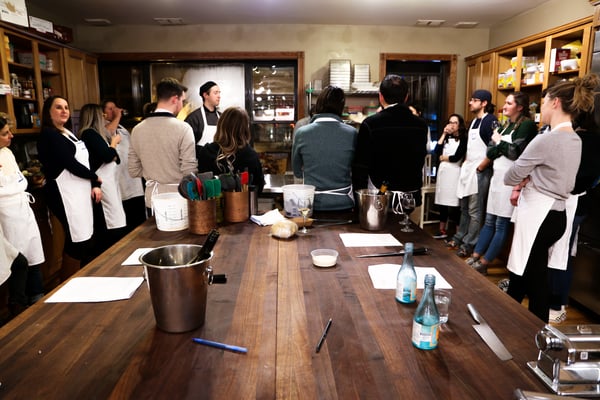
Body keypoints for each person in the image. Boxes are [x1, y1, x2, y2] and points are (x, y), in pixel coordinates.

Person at [504, 74, 599, 322]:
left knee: (535, 278)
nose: (542, 107)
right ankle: (506, 321)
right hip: (558, 216)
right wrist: (532, 175)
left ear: (555, 102)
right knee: (525, 274)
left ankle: (536, 332)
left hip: (540, 216)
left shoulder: (546, 139)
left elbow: (511, 176)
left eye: (544, 102)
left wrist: (527, 177)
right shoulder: (575, 139)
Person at [467, 92, 537, 275]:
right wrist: (499, 145)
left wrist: (498, 143)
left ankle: (484, 262)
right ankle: (475, 255)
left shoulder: (527, 125)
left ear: (520, 107)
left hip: (511, 181)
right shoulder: (506, 126)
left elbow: (515, 153)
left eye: (509, 103)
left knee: (501, 224)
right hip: (496, 179)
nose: (504, 106)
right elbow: (490, 152)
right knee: (489, 220)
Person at [37, 95, 102, 276]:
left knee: (85, 237)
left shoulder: (67, 133)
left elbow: (84, 162)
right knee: (77, 240)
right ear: (48, 112)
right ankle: (68, 281)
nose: (64, 111)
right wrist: (95, 177)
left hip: (79, 192)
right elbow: (69, 163)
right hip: (63, 193)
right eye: (58, 107)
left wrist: (93, 183)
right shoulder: (49, 135)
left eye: (66, 107)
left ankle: (81, 277)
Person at [547, 107, 600, 323]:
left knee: (560, 253)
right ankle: (556, 301)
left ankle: (557, 304)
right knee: (562, 252)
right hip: (580, 204)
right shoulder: (589, 139)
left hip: (573, 202)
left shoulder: (580, 140)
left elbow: (578, 177)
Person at [352, 74, 428, 207]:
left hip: (379, 195)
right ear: (406, 97)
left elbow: (361, 166)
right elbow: (420, 159)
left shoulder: (371, 124)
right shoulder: (421, 125)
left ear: (381, 96)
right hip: (410, 195)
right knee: (406, 221)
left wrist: (359, 200)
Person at [129, 77, 197, 209]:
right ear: (175, 99)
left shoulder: (137, 129)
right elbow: (189, 171)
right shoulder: (183, 128)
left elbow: (133, 170)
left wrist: (154, 175)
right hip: (179, 198)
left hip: (152, 199)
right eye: (182, 101)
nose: (182, 105)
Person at [0, 116, 45, 312]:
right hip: (6, 216)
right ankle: (20, 307)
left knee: (33, 255)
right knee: (18, 262)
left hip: (23, 210)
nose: (11, 136)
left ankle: (38, 298)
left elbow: (20, 181)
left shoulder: (7, 153)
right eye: (5, 134)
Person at [446, 89, 497, 258]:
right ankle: (460, 237)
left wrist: (482, 167)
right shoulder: (474, 121)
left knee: (475, 210)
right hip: (469, 169)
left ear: (484, 103)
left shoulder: (490, 121)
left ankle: (470, 243)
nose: (470, 103)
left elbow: (495, 147)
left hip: (480, 171)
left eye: (474, 100)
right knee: (465, 208)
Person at [292, 86, 357, 211]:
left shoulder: (302, 133)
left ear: (318, 105)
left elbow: (297, 171)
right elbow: (356, 168)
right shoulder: (352, 133)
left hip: (312, 203)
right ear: (341, 107)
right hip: (344, 203)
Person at [79, 103, 127, 258]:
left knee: (116, 216)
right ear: (95, 116)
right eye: (102, 115)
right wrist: (113, 143)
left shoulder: (97, 135)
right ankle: (111, 256)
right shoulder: (89, 134)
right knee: (110, 221)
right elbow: (108, 155)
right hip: (103, 182)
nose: (104, 118)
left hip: (111, 181)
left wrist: (111, 150)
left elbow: (115, 158)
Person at [197, 106, 264, 193]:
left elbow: (202, 188)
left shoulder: (207, 151)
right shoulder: (250, 155)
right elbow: (259, 187)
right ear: (245, 129)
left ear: (220, 125)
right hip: (244, 201)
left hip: (213, 202)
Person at [103, 100, 146, 233]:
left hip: (133, 179)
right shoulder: (103, 127)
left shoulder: (122, 128)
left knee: (140, 219)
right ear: (103, 113)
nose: (114, 111)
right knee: (127, 219)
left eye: (115, 108)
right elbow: (108, 132)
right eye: (110, 109)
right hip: (119, 180)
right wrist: (118, 116)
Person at [432, 113, 467, 239]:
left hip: (455, 173)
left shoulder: (464, 139)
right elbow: (436, 151)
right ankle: (442, 230)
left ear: (459, 125)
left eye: (455, 123)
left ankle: (457, 234)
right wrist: (444, 134)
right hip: (443, 173)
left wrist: (444, 158)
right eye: (450, 122)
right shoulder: (446, 138)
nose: (452, 125)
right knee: (442, 203)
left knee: (455, 204)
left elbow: (456, 157)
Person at [185, 81, 221, 150]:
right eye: (215, 93)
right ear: (205, 95)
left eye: (219, 93)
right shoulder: (193, 118)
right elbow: (186, 145)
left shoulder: (223, 117)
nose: (219, 96)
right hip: (199, 156)